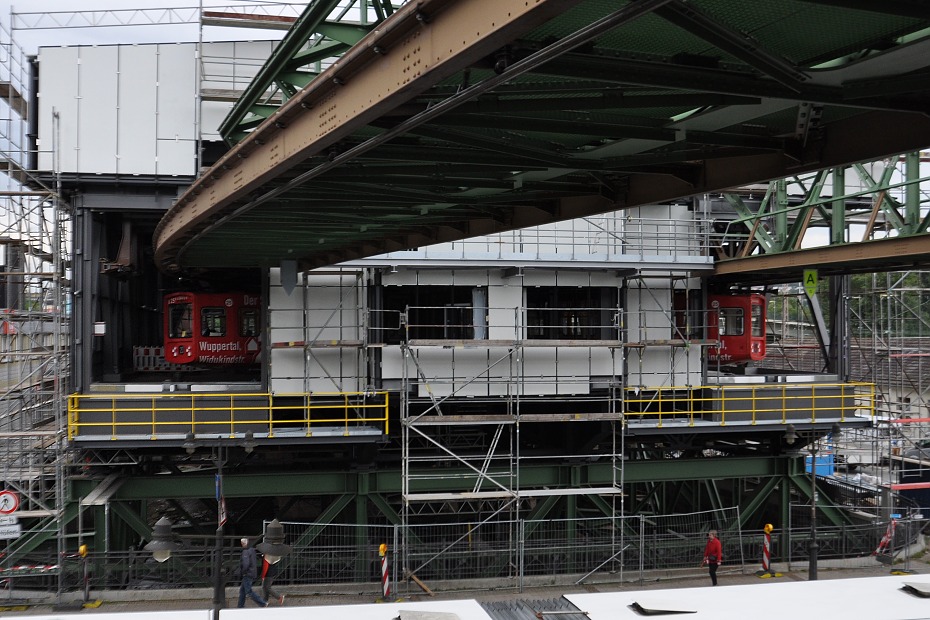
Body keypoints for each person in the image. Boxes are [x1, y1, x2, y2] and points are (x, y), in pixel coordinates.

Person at [237, 537, 268, 608]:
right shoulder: (252, 550)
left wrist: (243, 571)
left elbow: (246, 564)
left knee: (248, 591)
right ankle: (240, 606)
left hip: (247, 573)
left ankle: (262, 603)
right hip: (252, 572)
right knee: (242, 591)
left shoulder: (245, 551)